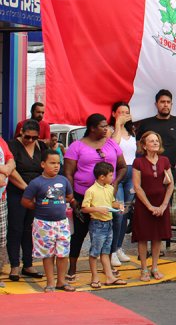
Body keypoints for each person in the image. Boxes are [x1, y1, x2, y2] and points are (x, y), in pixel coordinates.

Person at [63, 114, 127, 282]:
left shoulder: (111, 143)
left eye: (107, 126)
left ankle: (108, 266)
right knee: (79, 232)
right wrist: (72, 198)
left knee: (107, 231)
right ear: (92, 128)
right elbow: (68, 173)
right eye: (102, 126)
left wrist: (115, 183)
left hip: (106, 196)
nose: (106, 129)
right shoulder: (76, 146)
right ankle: (72, 266)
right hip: (83, 195)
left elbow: (122, 166)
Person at [20, 149, 74, 292]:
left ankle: (61, 281)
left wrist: (59, 204)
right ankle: (50, 282)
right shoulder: (36, 183)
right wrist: (39, 207)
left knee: (63, 253)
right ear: (43, 164)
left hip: (62, 222)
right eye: (52, 163)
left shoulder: (63, 180)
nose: (56, 166)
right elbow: (25, 201)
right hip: (43, 224)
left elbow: (69, 196)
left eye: (58, 163)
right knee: (48, 254)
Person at [6, 119, 47, 281]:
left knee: (30, 229)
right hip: (17, 192)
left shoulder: (41, 147)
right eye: (27, 137)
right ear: (21, 132)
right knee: (15, 228)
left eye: (34, 138)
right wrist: (26, 188)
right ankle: (14, 265)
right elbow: (12, 169)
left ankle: (28, 264)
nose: (30, 140)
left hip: (35, 194)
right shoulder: (13, 146)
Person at [132, 130, 174, 282]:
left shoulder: (164, 160)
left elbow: (171, 185)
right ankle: (143, 268)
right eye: (151, 141)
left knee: (157, 237)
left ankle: (155, 267)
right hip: (144, 204)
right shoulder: (138, 162)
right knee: (143, 237)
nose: (155, 143)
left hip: (161, 203)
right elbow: (137, 186)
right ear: (144, 145)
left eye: (157, 140)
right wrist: (149, 206)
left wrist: (163, 205)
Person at [81, 161, 126, 288]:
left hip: (108, 222)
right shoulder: (91, 191)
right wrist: (97, 209)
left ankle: (109, 276)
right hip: (97, 223)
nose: (112, 178)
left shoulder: (110, 188)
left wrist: (119, 206)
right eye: (111, 175)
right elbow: (84, 208)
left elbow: (112, 203)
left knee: (105, 251)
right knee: (95, 252)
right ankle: (94, 277)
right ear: (102, 177)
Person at [136, 89, 176, 168]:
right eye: (162, 102)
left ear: (171, 104)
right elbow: (137, 141)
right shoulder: (146, 123)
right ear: (156, 104)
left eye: (168, 102)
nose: (166, 105)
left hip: (170, 169)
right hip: (148, 170)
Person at [109, 101, 136, 266]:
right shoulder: (111, 131)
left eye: (127, 112)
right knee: (117, 213)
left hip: (131, 173)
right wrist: (118, 125)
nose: (125, 115)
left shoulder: (132, 132)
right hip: (118, 173)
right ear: (114, 114)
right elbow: (114, 145)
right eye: (121, 112)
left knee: (126, 212)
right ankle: (111, 250)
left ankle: (119, 247)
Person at [0, 137, 15, 288]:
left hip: (1, 198)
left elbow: (11, 160)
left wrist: (5, 170)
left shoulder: (0, 141)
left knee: (1, 238)